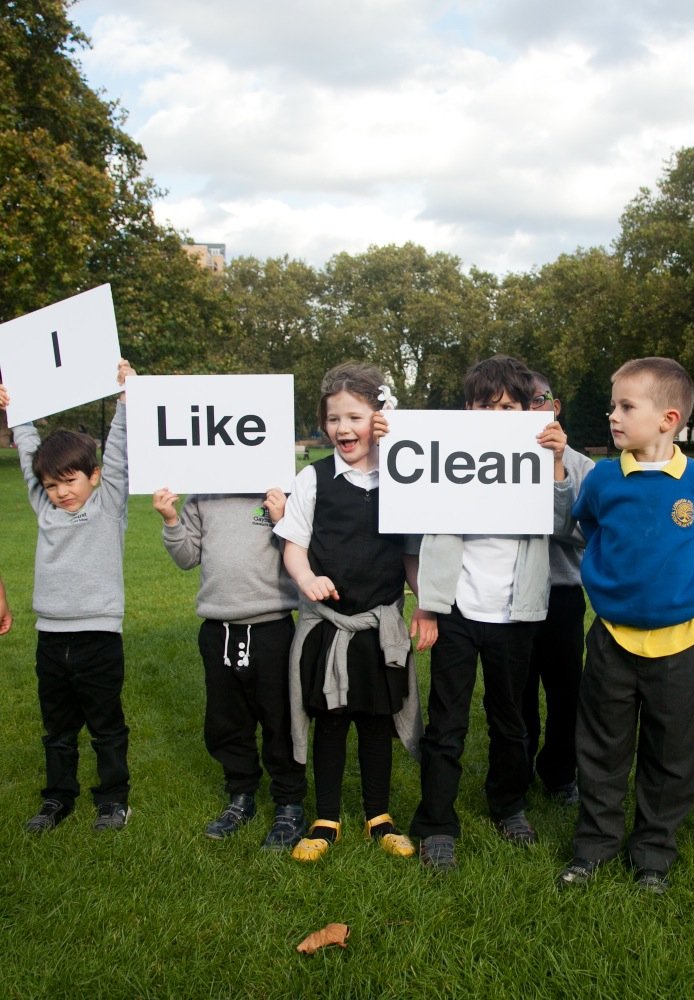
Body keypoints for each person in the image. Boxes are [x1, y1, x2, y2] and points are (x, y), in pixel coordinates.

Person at [557, 357, 694, 894]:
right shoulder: (606, 477)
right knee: (602, 747)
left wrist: (689, 581)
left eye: (626, 406)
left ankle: (654, 853)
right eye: (614, 404)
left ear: (668, 418)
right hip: (611, 638)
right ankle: (594, 846)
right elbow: (584, 521)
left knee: (671, 753)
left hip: (682, 643)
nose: (613, 415)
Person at [408, 355, 576, 871]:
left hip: (516, 613)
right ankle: (437, 822)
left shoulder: (541, 457)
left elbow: (562, 524)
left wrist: (557, 464)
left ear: (528, 410)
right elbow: (412, 500)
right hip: (455, 611)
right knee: (447, 723)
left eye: (509, 407)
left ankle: (509, 805)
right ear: (468, 410)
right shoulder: (448, 455)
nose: (498, 415)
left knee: (511, 722)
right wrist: (392, 436)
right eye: (487, 406)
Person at [275, 362, 436, 863]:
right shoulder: (313, 478)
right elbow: (293, 545)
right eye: (333, 419)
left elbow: (411, 554)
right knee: (329, 719)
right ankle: (326, 817)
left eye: (355, 417)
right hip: (329, 626)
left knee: (374, 721)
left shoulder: (403, 476)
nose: (343, 429)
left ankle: (379, 816)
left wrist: (427, 606)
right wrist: (307, 579)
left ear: (379, 417)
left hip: (380, 626)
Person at [1, 361, 135, 833]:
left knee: (105, 727)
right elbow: (29, 453)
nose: (61, 493)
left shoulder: (109, 500)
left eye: (70, 482)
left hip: (99, 635)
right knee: (57, 730)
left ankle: (113, 800)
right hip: (51, 638)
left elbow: (117, 453)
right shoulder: (44, 504)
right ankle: (57, 799)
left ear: (93, 476)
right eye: (53, 485)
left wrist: (124, 399)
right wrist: (16, 410)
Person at [152, 487, 309, 849]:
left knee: (280, 719)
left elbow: (303, 553)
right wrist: (171, 520)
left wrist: (282, 519)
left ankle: (288, 803)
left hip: (272, 627)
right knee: (226, 720)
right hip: (219, 629)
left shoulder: (281, 492)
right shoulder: (203, 496)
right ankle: (241, 796)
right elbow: (187, 557)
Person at [521, 372, 594, 805]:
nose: (532, 410)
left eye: (539, 400)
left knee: (566, 691)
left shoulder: (582, 465)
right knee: (517, 690)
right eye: (521, 402)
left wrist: (558, 466)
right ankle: (519, 766)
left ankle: (560, 773)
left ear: (555, 405)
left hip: (562, 593)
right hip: (509, 592)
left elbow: (583, 533)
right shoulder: (489, 458)